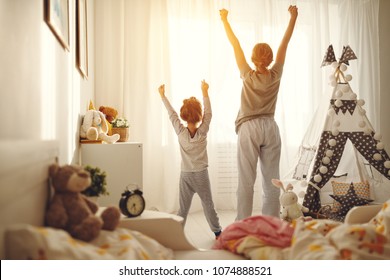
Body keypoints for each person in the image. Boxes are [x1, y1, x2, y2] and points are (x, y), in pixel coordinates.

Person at [219, 6, 298, 220]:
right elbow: (285, 42)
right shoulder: (276, 74)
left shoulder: (247, 74)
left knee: (246, 179)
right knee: (272, 179)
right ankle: (270, 221)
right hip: (270, 127)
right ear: (271, 59)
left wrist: (225, 20)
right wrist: (293, 18)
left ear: (253, 59)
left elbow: (235, 44)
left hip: (249, 127)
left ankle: (242, 222)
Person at [158, 80, 222, 238]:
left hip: (185, 175)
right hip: (201, 175)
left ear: (183, 116)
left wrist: (162, 96)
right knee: (208, 205)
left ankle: (176, 233)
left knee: (183, 208)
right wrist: (205, 92)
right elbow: (209, 114)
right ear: (199, 116)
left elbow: (171, 114)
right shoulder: (203, 132)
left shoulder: (180, 132)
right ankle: (218, 233)